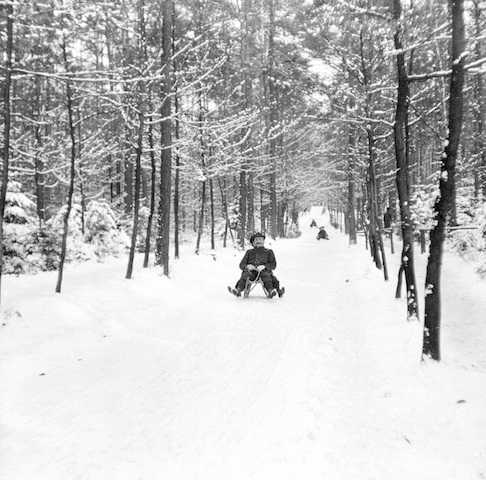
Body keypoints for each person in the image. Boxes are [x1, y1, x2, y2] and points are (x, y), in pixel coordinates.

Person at [229, 232, 284, 298]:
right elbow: (241, 265)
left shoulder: (269, 252)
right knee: (245, 276)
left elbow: (273, 265)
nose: (258, 241)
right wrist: (247, 266)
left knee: (267, 276)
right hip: (251, 272)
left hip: (264, 271)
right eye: (256, 240)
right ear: (254, 242)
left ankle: (271, 291)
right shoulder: (249, 252)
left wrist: (264, 266)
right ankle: (238, 290)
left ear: (263, 241)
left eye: (260, 239)